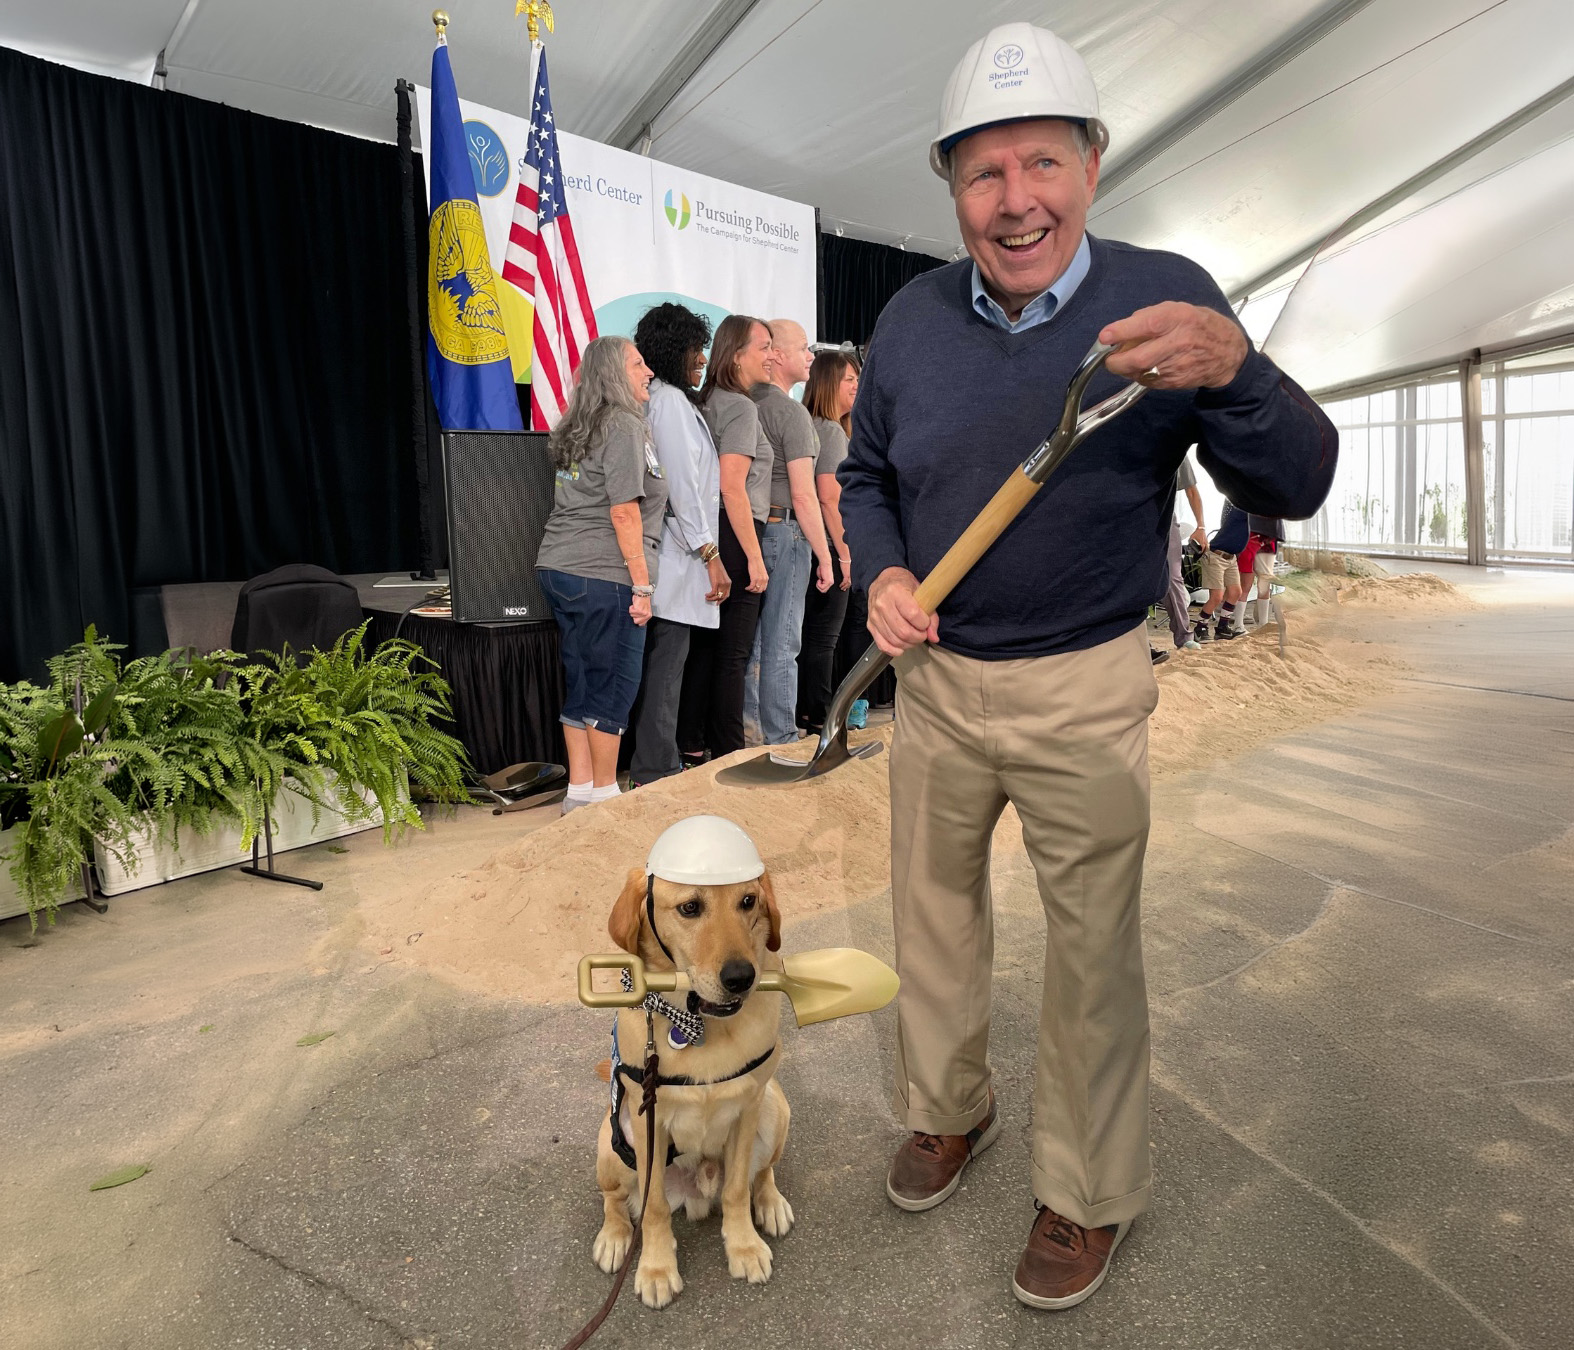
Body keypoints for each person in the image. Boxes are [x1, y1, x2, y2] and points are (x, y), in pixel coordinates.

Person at [836, 22, 1337, 1312]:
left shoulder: (1166, 301)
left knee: (1091, 956)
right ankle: (948, 1111)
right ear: (950, 187)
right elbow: (867, 477)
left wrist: (1237, 375)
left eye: (1041, 164)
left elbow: (1298, 479)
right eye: (984, 173)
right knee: (931, 927)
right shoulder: (905, 320)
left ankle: (1085, 1191)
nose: (1016, 202)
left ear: (1092, 165)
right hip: (936, 686)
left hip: (1086, 682)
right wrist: (882, 571)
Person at [534, 336, 666, 814]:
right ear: (615, 373)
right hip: (603, 574)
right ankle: (609, 802)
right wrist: (642, 584)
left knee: (583, 682)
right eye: (638, 363)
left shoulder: (579, 424)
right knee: (613, 684)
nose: (648, 371)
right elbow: (624, 513)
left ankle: (581, 795)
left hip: (559, 568)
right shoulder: (624, 424)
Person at [627, 303, 730, 788]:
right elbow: (680, 487)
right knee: (666, 671)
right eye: (694, 347)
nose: (703, 358)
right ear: (671, 350)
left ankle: (659, 762)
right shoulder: (666, 402)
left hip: (680, 554)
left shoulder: (674, 400)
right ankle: (653, 771)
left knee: (670, 669)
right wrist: (711, 555)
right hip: (675, 558)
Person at [675, 315, 773, 763]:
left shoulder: (705, 399)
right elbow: (732, 486)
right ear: (736, 356)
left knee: (707, 648)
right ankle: (731, 752)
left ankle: (694, 744)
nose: (770, 355)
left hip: (707, 536)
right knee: (733, 653)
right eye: (763, 347)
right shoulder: (740, 407)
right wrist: (754, 557)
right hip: (733, 535)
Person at [746, 319, 833, 745]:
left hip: (754, 531)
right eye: (803, 347)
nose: (811, 356)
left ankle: (750, 730)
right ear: (776, 355)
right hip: (786, 532)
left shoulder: (743, 402)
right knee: (782, 641)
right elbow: (805, 495)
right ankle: (780, 736)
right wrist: (828, 555)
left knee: (756, 643)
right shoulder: (789, 412)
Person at [795, 351, 858, 732]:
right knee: (824, 638)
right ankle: (818, 715)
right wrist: (844, 555)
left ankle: (810, 711)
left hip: (813, 543)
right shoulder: (831, 431)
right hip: (829, 546)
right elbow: (829, 497)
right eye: (848, 378)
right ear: (827, 383)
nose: (856, 385)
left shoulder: (816, 425)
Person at [1156, 452, 1207, 651]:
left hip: (1166, 521)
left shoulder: (1176, 450)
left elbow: (1192, 491)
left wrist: (1201, 527)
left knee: (1173, 579)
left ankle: (1184, 636)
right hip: (1132, 521)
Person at [1196, 500, 1249, 642]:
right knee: (1217, 596)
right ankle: (1200, 627)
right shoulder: (1242, 508)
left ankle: (1223, 627)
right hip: (1215, 555)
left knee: (1235, 592)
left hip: (1231, 558)